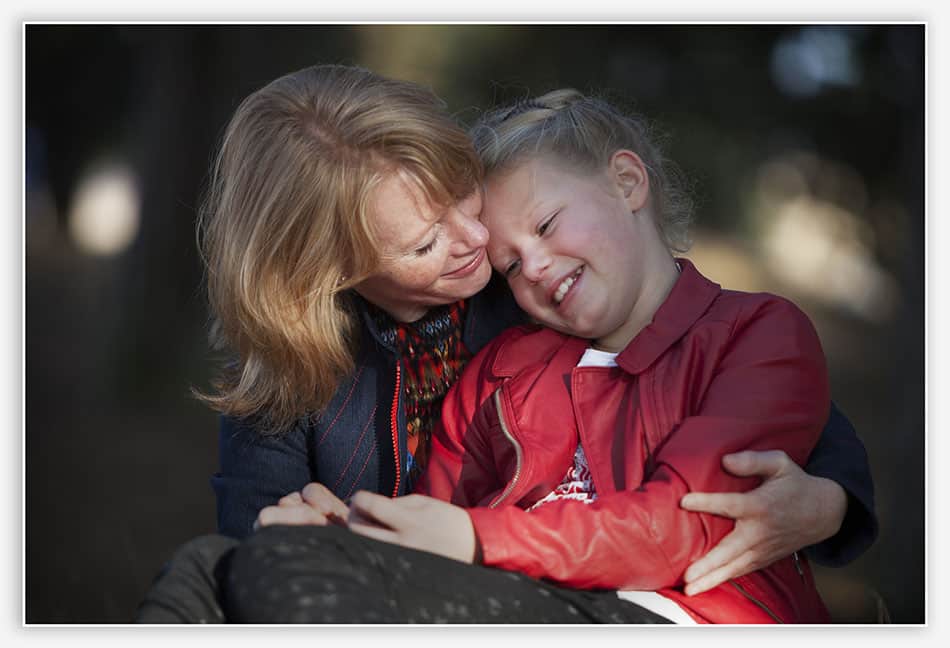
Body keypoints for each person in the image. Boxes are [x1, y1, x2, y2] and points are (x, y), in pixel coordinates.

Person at [135, 65, 875, 623]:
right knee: (213, 568)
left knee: (270, 578)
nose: (479, 242)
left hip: (623, 598)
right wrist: (335, 528)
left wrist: (834, 498)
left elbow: (752, 405)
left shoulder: (553, 300)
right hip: (479, 584)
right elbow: (277, 538)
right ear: (333, 273)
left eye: (462, 193)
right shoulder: (324, 367)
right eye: (426, 242)